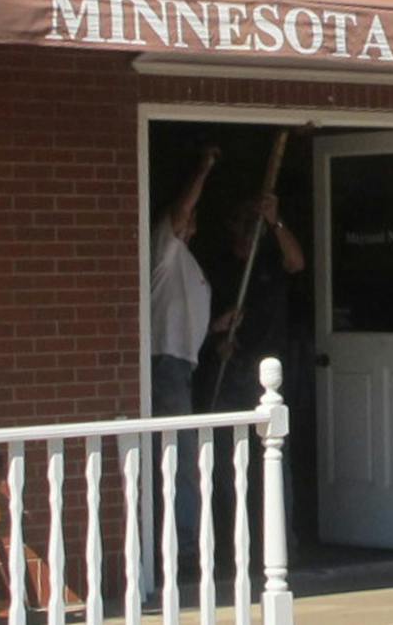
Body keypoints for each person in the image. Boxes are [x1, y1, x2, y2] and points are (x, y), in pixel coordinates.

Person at [149, 145, 238, 567]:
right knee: (181, 456)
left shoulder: (186, 263)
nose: (189, 221)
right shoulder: (163, 251)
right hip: (165, 365)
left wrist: (216, 328)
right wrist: (204, 167)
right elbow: (181, 211)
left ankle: (184, 538)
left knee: (185, 454)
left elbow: (182, 316)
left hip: (184, 364)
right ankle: (184, 546)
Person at [205, 189, 306, 410]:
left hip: (269, 361)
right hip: (232, 364)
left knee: (271, 423)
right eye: (243, 221)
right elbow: (205, 319)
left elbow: (297, 263)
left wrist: (275, 220)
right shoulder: (219, 267)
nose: (250, 228)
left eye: (254, 221)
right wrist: (216, 341)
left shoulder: (270, 259)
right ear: (232, 225)